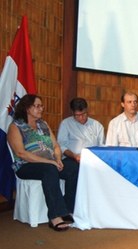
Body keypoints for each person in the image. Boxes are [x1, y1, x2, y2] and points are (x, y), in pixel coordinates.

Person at [7, 94, 79, 232]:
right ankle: (55, 216)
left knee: (73, 168)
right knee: (49, 170)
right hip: (26, 166)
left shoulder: (43, 124)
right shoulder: (15, 127)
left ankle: (68, 210)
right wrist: (49, 162)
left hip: (50, 163)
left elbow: (56, 145)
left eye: (41, 106)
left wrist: (57, 159)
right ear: (27, 108)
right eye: (37, 106)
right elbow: (21, 153)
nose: (41, 109)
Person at [57, 98, 104, 163]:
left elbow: (102, 147)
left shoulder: (97, 126)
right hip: (72, 159)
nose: (81, 118)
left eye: (84, 114)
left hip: (93, 160)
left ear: (87, 110)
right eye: (77, 115)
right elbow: (61, 145)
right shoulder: (66, 124)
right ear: (72, 113)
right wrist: (75, 156)